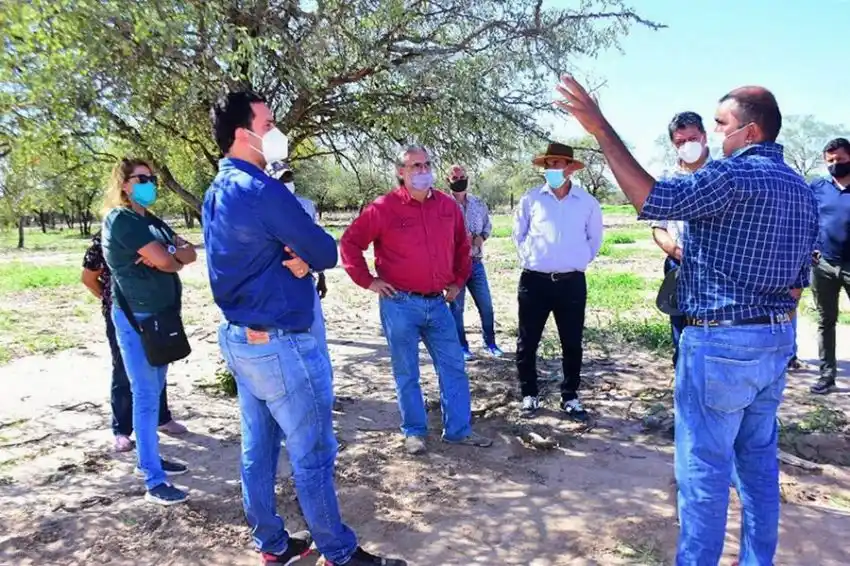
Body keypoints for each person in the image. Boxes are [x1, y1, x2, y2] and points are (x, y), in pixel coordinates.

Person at [555, 76, 817, 565]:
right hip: (775, 338)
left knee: (704, 472)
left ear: (752, 132)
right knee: (758, 464)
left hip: (720, 343)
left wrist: (600, 129)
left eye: (722, 125)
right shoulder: (801, 190)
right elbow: (800, 276)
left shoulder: (733, 176)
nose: (716, 135)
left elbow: (650, 200)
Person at [204, 91, 405, 566]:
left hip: (241, 338)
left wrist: (292, 258)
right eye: (267, 122)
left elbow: (263, 254)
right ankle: (338, 552)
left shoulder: (219, 188)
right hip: (280, 344)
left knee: (258, 447)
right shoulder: (260, 188)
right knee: (312, 451)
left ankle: (271, 543)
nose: (275, 131)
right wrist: (302, 258)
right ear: (242, 133)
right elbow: (325, 249)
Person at [339, 145, 493, 456]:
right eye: (414, 166)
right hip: (399, 304)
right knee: (407, 371)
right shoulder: (383, 208)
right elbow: (350, 243)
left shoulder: (447, 207)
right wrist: (368, 281)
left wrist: (457, 281)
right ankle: (414, 432)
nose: (422, 171)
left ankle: (459, 431)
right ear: (400, 172)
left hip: (438, 304)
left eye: (426, 165)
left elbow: (463, 246)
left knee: (453, 367)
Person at [101, 158, 197, 506]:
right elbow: (171, 262)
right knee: (145, 395)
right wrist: (170, 257)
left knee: (155, 391)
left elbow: (187, 254)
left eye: (152, 178)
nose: (149, 183)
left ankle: (150, 459)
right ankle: (153, 479)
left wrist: (168, 253)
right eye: (142, 178)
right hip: (137, 319)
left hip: (161, 317)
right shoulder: (121, 220)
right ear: (125, 184)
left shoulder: (151, 222)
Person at [512, 142, 603, 421]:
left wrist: (576, 260)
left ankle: (570, 396)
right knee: (527, 341)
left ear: (570, 168)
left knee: (572, 342)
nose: (553, 169)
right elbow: (519, 235)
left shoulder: (587, 203)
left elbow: (595, 239)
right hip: (534, 282)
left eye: (559, 164)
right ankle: (529, 394)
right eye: (549, 165)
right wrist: (533, 258)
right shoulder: (530, 200)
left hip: (571, 283)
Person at [81, 232, 187, 453]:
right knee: (123, 370)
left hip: (157, 312)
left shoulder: (155, 230)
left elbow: (186, 252)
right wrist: (111, 301)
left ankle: (162, 417)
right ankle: (122, 430)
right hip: (124, 317)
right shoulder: (107, 238)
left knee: (158, 360)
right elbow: (89, 278)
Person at [650, 111, 711, 368]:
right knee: (681, 330)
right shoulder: (667, 179)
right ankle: (683, 384)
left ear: (705, 137)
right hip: (679, 266)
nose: (687, 146)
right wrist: (675, 251)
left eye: (693, 138)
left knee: (714, 331)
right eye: (680, 142)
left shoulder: (724, 172)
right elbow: (658, 228)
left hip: (718, 268)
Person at [445, 164, 503, 360]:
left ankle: (490, 344)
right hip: (454, 266)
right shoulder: (443, 206)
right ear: (448, 181)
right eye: (455, 177)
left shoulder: (478, 203)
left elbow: (488, 225)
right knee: (456, 308)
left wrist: (481, 237)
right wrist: (461, 240)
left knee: (486, 305)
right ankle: (461, 347)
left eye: (462, 176)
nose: (460, 179)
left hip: (476, 263)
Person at [809, 137, 850, 395]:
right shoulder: (817, 187)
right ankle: (827, 375)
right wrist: (810, 246)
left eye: (841, 160)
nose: (835, 164)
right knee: (826, 321)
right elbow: (807, 218)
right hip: (823, 263)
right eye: (831, 161)